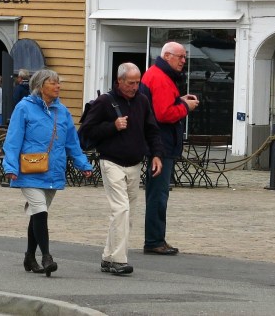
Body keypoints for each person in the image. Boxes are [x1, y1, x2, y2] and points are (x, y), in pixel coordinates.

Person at [2, 68, 93, 276]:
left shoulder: (62, 111)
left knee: (37, 214)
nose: (58, 86)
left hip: (53, 171)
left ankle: (29, 256)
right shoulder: (24, 108)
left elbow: (72, 142)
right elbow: (13, 139)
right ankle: (46, 257)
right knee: (40, 211)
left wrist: (83, 164)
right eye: (53, 83)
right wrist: (10, 166)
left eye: (58, 82)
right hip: (29, 170)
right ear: (40, 86)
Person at [80, 63, 164, 275]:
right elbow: (86, 131)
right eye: (131, 83)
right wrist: (112, 126)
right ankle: (119, 260)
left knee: (126, 214)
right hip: (111, 162)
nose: (135, 87)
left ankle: (108, 257)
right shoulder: (104, 102)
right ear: (119, 81)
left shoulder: (142, 101)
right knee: (121, 209)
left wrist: (156, 155)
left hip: (135, 163)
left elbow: (152, 130)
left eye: (137, 82)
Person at [141, 41, 199, 256]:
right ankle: (154, 240)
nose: (183, 61)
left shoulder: (157, 74)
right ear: (167, 56)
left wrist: (179, 100)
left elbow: (161, 106)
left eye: (184, 57)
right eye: (180, 56)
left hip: (159, 142)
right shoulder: (160, 78)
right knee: (158, 194)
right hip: (160, 144)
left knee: (157, 193)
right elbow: (163, 114)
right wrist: (185, 106)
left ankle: (155, 238)